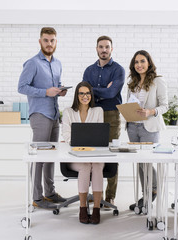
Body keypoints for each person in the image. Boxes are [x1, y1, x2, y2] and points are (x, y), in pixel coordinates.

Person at [18, 27, 67, 209]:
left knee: (51, 156)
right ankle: (37, 198)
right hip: (40, 114)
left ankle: (50, 193)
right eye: (46, 40)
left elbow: (54, 87)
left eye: (52, 40)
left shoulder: (58, 64)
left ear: (56, 42)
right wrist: (45, 92)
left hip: (54, 113)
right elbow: (22, 87)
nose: (49, 44)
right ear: (40, 41)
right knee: (38, 157)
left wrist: (59, 91)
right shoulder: (32, 63)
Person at [82, 36, 125, 206]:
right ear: (96, 49)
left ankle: (110, 195)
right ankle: (94, 193)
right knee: (92, 155)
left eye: (107, 47)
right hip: (91, 114)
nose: (104, 50)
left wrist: (93, 90)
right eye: (101, 47)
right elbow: (84, 93)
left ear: (112, 49)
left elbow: (111, 93)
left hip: (111, 114)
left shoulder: (118, 70)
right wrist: (99, 91)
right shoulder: (88, 70)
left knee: (112, 154)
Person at [126, 50, 168, 210]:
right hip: (132, 126)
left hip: (149, 126)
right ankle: (146, 196)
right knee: (139, 163)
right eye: (136, 62)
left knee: (148, 161)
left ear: (149, 63)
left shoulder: (158, 81)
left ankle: (153, 190)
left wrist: (150, 112)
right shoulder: (132, 82)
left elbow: (165, 106)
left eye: (142, 61)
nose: (139, 65)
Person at [62, 81, 104, 224]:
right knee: (85, 166)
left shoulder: (98, 111)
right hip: (76, 156)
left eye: (87, 93)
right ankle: (83, 207)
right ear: (77, 95)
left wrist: (82, 139)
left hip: (95, 155)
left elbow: (100, 136)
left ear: (91, 95)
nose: (85, 96)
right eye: (81, 93)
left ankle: (97, 209)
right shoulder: (68, 112)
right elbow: (67, 136)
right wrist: (85, 141)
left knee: (97, 166)